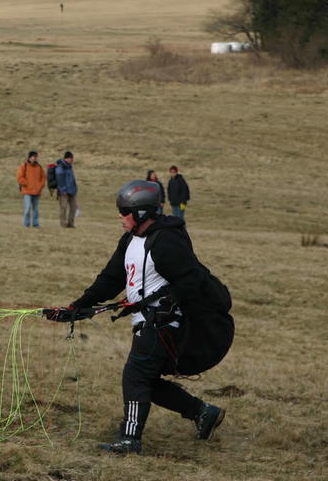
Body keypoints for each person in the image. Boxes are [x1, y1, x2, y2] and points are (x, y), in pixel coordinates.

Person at [61, 180, 226, 455]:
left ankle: (130, 439)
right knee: (146, 381)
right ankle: (203, 412)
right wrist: (78, 306)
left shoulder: (166, 241)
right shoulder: (130, 240)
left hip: (163, 325)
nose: (120, 216)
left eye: (125, 211)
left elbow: (193, 279)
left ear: (141, 213)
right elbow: (111, 279)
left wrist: (171, 300)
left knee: (135, 377)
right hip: (146, 323)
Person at [16, 151, 46, 227]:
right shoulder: (24, 166)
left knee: (35, 209)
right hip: (27, 191)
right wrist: (26, 184)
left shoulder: (39, 167)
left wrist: (40, 186)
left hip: (37, 191)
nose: (35, 158)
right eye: (34, 156)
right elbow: (20, 177)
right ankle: (26, 224)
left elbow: (43, 177)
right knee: (27, 208)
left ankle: (35, 224)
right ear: (30, 157)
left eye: (36, 157)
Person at [55, 151, 79, 228]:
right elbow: (59, 180)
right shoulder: (60, 167)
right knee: (63, 208)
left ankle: (70, 223)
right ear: (67, 158)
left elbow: (72, 178)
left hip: (72, 191)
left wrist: (75, 188)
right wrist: (63, 190)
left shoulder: (69, 166)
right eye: (71, 158)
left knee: (73, 207)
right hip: (64, 192)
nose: (72, 160)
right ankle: (63, 224)